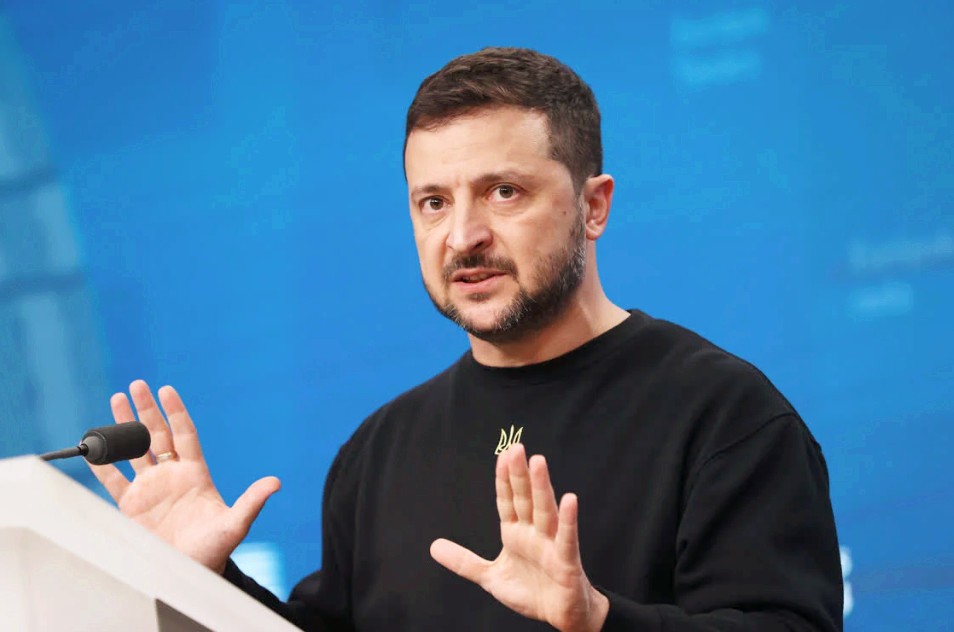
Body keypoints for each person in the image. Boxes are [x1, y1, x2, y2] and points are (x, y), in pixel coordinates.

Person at [89, 47, 843, 631]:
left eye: (503, 192)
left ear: (594, 206)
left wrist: (599, 621)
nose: (462, 236)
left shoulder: (725, 417)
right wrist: (204, 578)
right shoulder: (376, 453)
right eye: (433, 203)